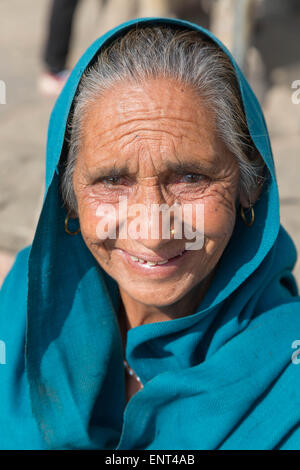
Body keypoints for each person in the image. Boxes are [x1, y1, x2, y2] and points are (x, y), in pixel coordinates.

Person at [1, 17, 300, 450]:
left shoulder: (285, 376)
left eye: (191, 177)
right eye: (111, 181)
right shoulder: (27, 306)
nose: (153, 230)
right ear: (67, 196)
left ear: (247, 186)